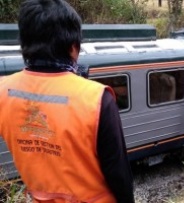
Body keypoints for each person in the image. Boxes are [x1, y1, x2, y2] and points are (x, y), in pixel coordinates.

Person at [0, 0, 135, 202]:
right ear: (73, 47)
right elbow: (119, 174)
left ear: (24, 44)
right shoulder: (97, 98)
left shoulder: (3, 90)